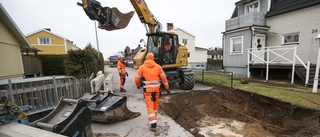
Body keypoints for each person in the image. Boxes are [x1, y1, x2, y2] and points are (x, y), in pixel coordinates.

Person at [134, 52, 169, 132]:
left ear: (146, 58)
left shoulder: (142, 67)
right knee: (155, 106)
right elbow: (164, 78)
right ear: (153, 58)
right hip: (157, 91)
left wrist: (138, 85)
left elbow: (136, 79)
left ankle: (153, 125)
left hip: (148, 92)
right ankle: (154, 119)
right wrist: (167, 87)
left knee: (150, 107)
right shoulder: (158, 67)